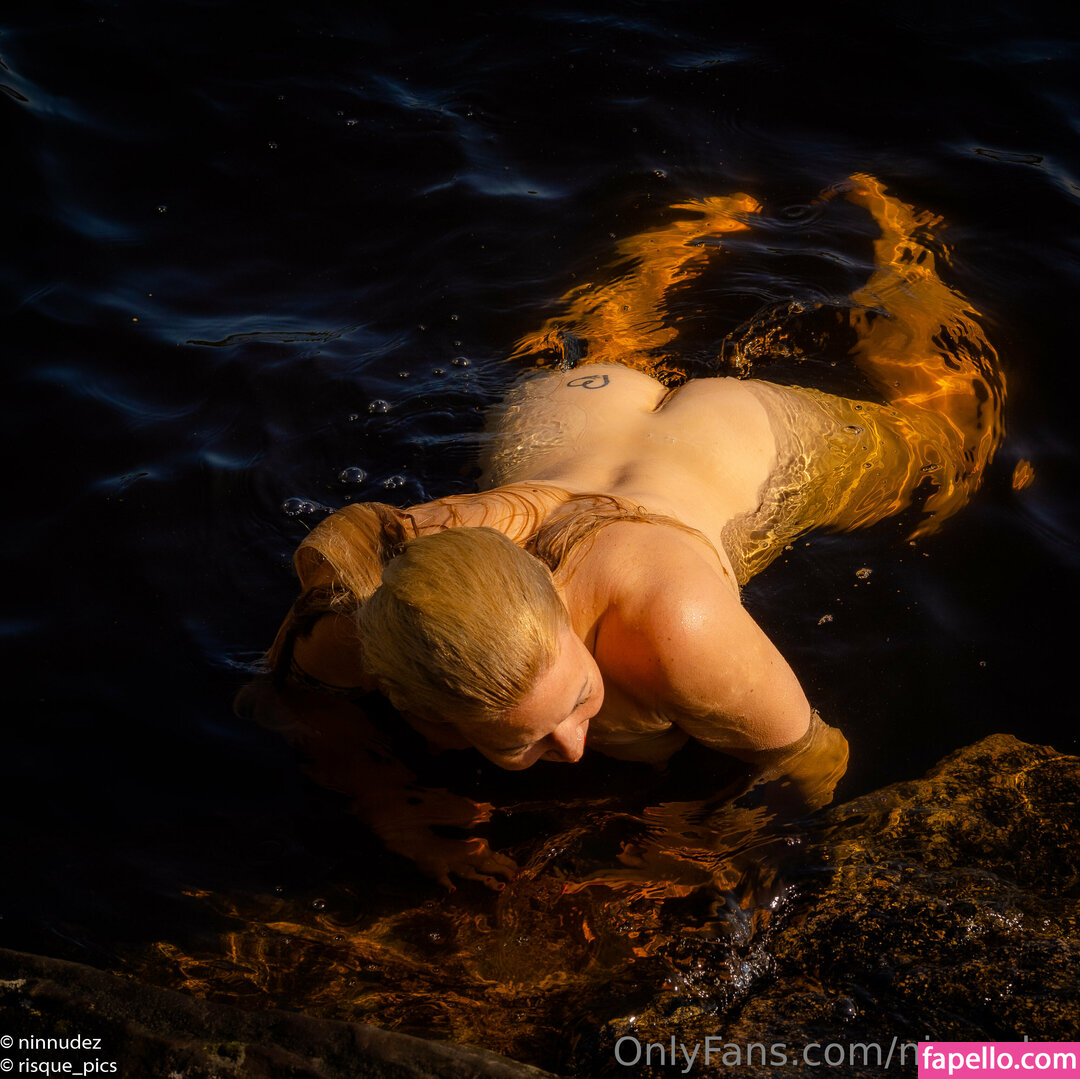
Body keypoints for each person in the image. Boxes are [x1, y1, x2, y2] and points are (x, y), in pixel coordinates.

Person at [254, 174, 1005, 887]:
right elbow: (292, 704)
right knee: (602, 356)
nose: (573, 744)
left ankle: (905, 245)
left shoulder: (679, 625)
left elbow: (813, 759)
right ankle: (689, 229)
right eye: (525, 741)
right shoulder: (362, 608)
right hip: (568, 411)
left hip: (736, 439)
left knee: (950, 449)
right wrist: (393, 810)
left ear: (556, 603)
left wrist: (689, 855)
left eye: (580, 695)